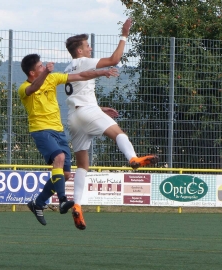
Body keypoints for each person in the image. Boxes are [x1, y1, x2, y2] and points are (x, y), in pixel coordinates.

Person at [64, 18, 159, 230]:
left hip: (74, 117)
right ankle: (133, 158)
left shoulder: (67, 68)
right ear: (79, 51)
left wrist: (100, 109)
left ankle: (77, 205)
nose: (90, 49)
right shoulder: (85, 62)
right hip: (87, 112)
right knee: (119, 134)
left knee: (82, 166)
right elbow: (115, 59)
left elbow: (80, 95)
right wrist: (124, 34)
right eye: (87, 46)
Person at [18, 54, 118, 226]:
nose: (44, 68)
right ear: (32, 72)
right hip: (41, 130)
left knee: (65, 174)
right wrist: (45, 73)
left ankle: (38, 203)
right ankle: (63, 200)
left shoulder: (53, 78)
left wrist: (102, 72)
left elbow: (80, 76)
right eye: (40, 67)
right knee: (59, 158)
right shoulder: (23, 88)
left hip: (58, 130)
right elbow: (34, 87)